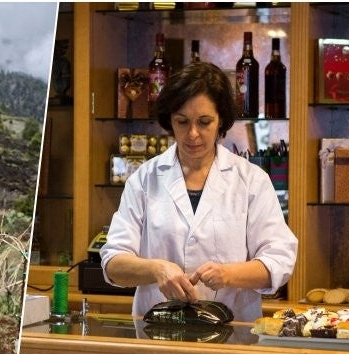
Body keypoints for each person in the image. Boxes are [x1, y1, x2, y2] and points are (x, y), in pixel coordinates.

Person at [100, 62, 297, 322]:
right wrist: (156, 269)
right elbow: (113, 262)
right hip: (158, 332)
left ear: (221, 121)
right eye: (182, 122)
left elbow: (279, 260)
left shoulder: (251, 180)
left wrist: (229, 275)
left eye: (204, 122)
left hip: (233, 332)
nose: (193, 134)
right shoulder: (145, 179)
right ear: (170, 121)